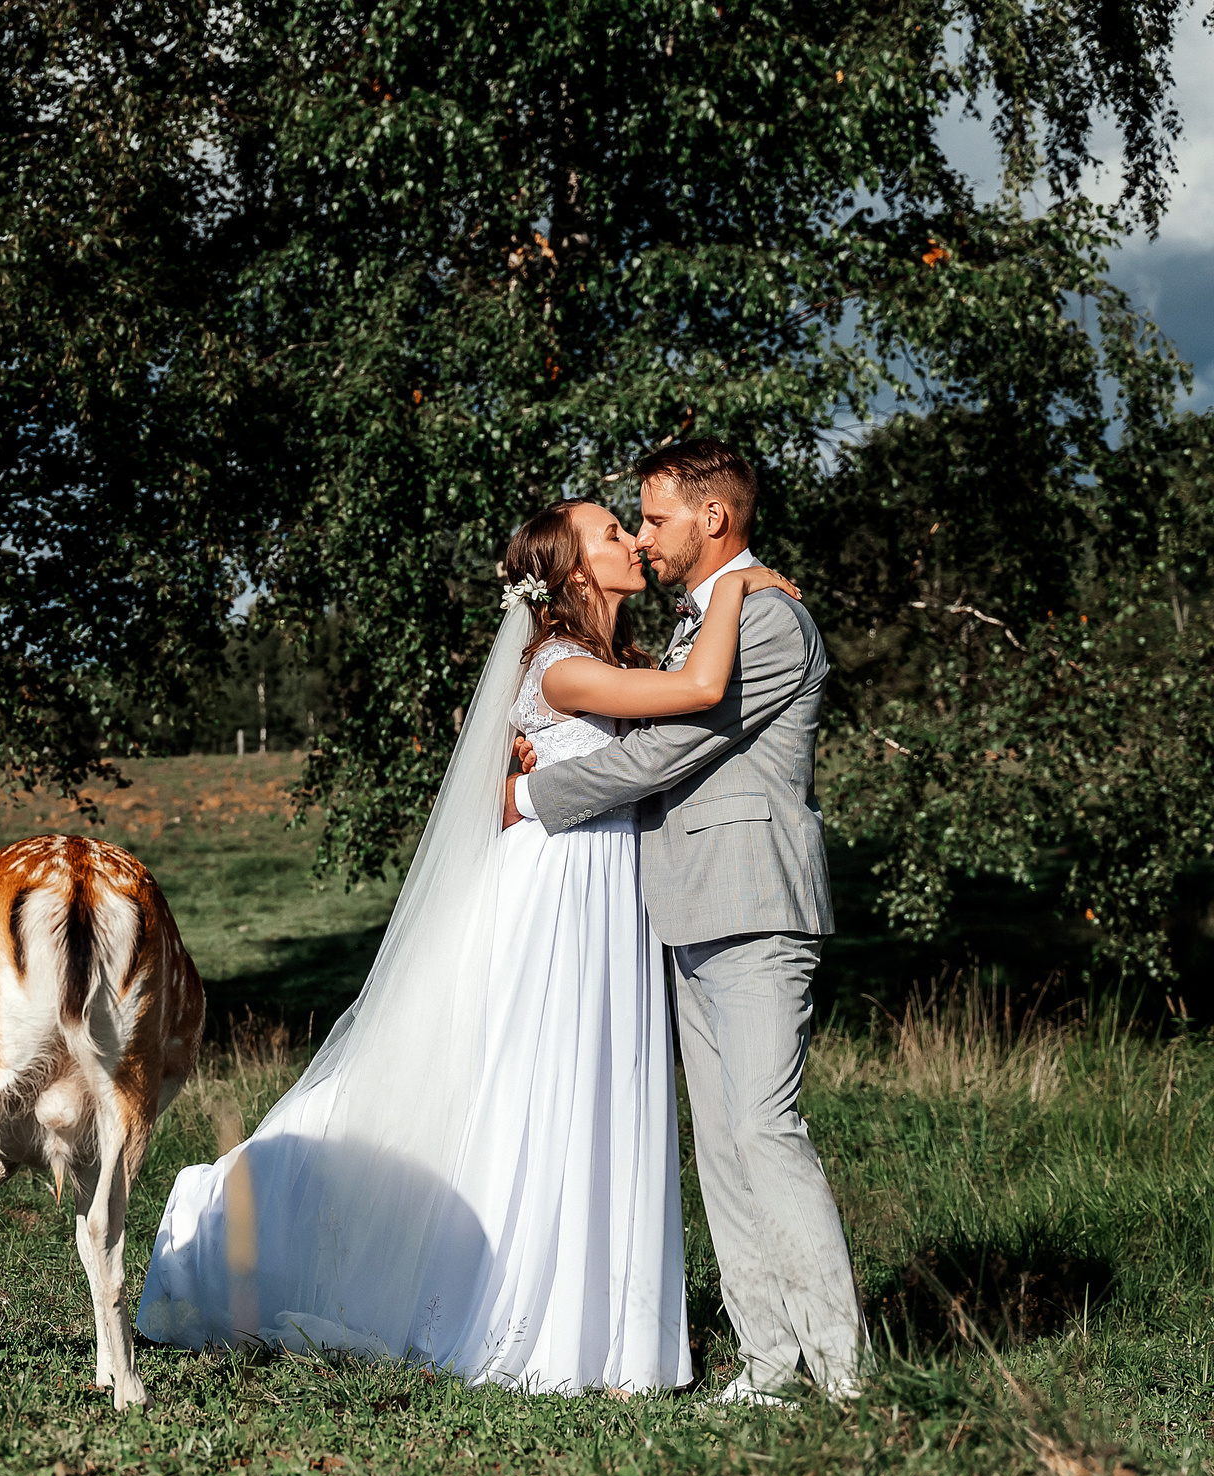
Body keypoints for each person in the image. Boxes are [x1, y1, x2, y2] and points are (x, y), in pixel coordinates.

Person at [135, 441, 830, 1398]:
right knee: (538, 1091)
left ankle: (663, 1335)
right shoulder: (569, 663)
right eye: (613, 529)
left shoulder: (663, 636)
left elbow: (678, 725)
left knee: (628, 1103)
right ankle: (521, 1300)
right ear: (570, 570)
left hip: (633, 895)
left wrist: (744, 592)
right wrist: (741, 593)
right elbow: (681, 715)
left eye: (644, 519)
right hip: (564, 890)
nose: (635, 536)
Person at [506, 440, 862, 1403]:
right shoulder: (698, 622)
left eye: (655, 518)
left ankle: (842, 1369)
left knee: (763, 1129)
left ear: (715, 518)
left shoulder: (771, 619)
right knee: (724, 1145)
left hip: (753, 902)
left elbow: (678, 746)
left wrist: (538, 796)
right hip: (689, 906)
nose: (645, 536)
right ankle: (768, 1363)